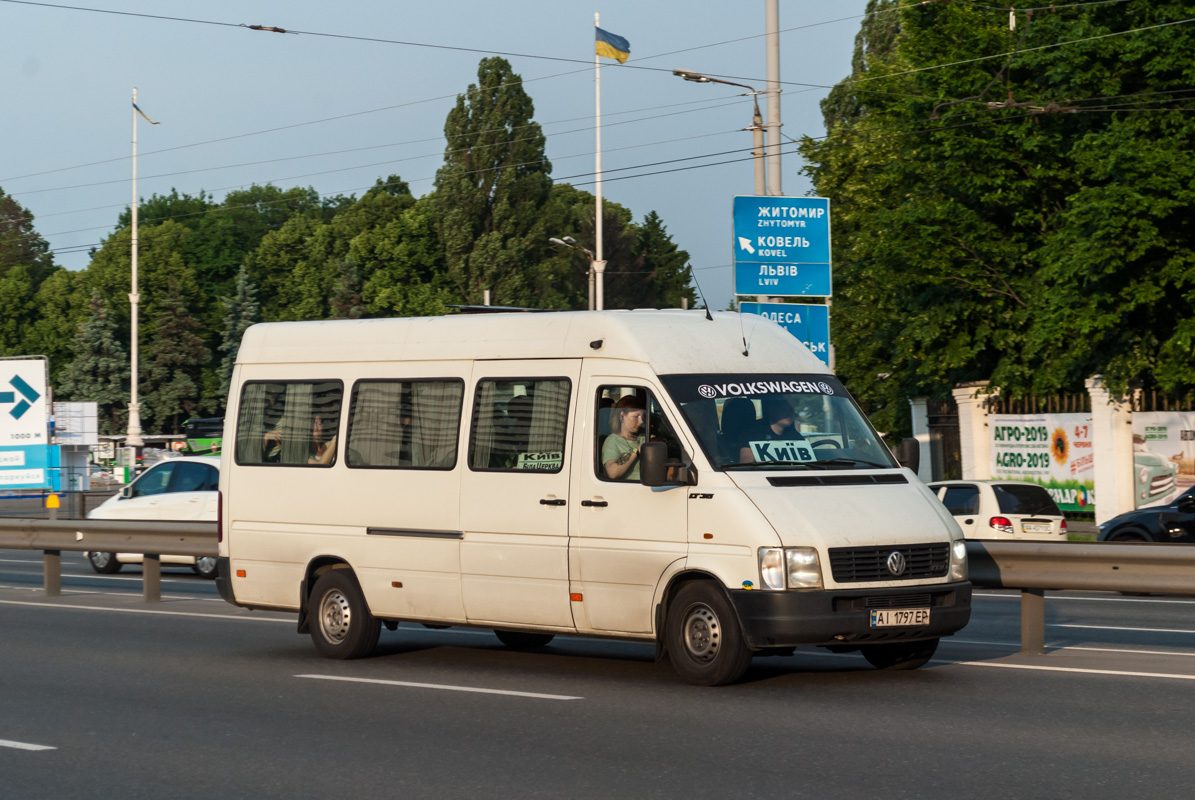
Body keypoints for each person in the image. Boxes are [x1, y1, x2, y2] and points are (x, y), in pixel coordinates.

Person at [603, 395, 646, 480]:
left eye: (642, 417)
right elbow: (612, 473)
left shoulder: (643, 438)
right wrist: (637, 451)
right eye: (636, 417)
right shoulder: (613, 441)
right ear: (622, 416)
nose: (641, 421)